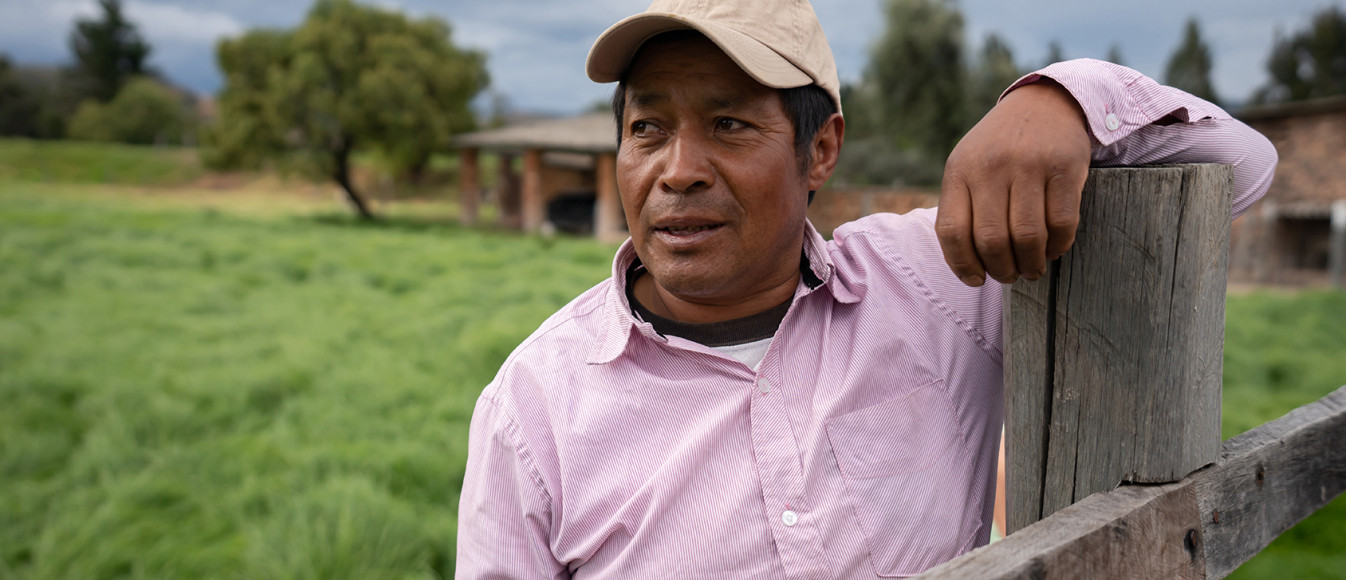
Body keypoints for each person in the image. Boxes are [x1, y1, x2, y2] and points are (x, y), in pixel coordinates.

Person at [456, 0, 1277, 577]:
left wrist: (1064, 98)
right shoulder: (534, 408)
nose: (677, 171)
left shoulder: (933, 283)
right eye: (648, 129)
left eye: (730, 124)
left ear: (820, 152)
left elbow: (1241, 168)